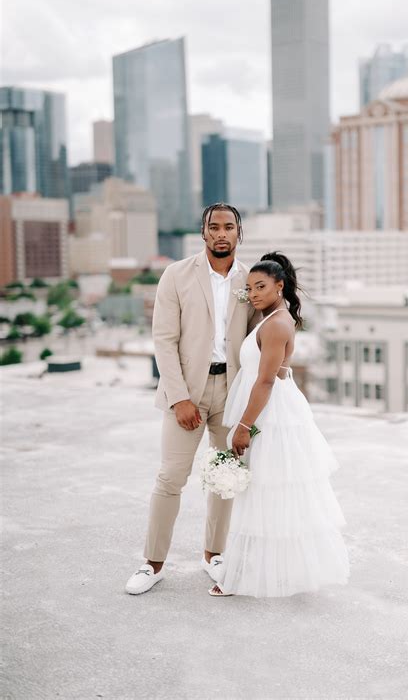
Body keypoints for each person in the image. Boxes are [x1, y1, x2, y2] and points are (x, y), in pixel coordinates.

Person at [126, 203, 261, 595]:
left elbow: (260, 334)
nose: (221, 233)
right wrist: (179, 398)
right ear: (203, 233)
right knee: (170, 478)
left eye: (229, 227)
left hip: (232, 393)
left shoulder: (250, 280)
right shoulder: (176, 274)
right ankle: (152, 565)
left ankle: (213, 556)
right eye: (214, 227)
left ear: (239, 233)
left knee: (225, 478)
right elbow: (164, 341)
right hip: (187, 391)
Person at [208, 252, 350, 597]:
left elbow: (266, 381)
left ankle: (242, 575)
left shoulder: (275, 324)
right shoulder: (271, 317)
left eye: (261, 287)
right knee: (264, 490)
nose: (253, 294)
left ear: (279, 286)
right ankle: (255, 569)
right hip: (266, 409)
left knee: (262, 490)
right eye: (249, 288)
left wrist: (243, 426)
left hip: (268, 414)